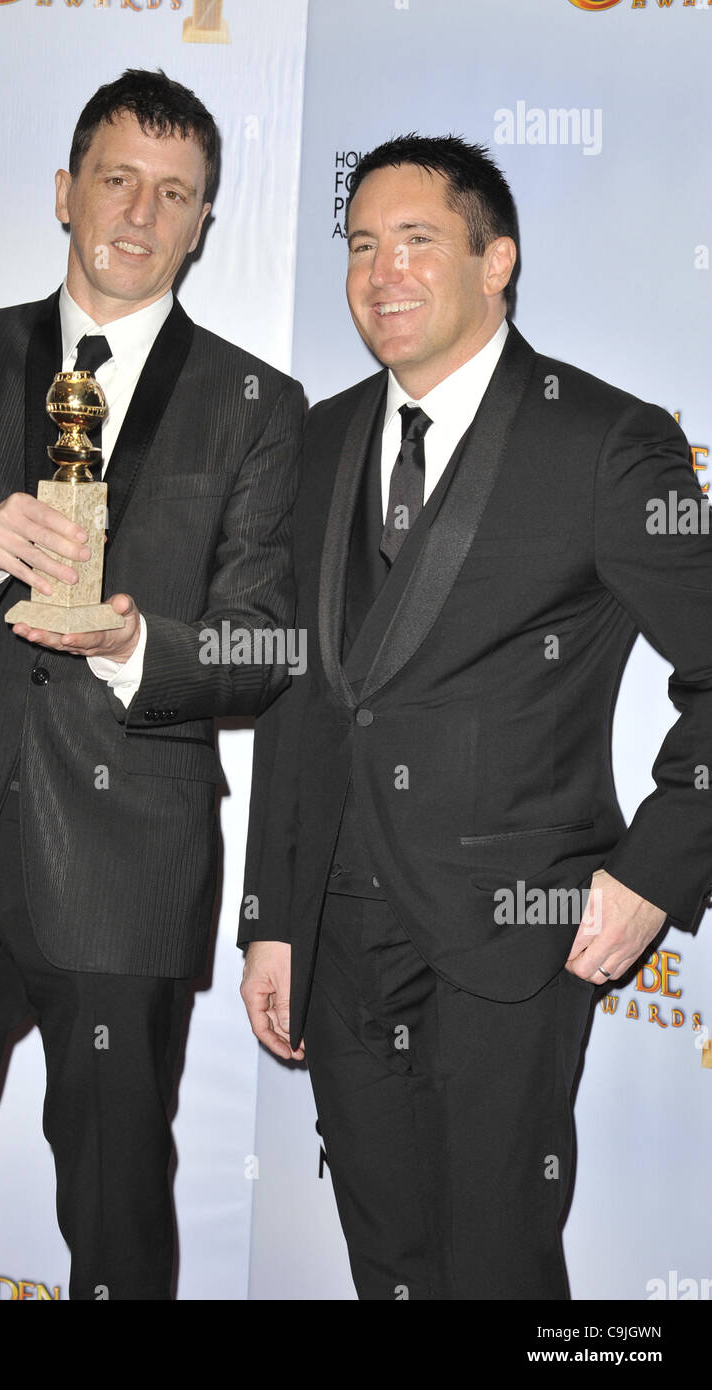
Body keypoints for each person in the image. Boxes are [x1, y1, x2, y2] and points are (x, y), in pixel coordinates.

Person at [0, 68, 303, 1301]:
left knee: (115, 1203)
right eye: (116, 180)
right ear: (63, 190)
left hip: (127, 852)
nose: (140, 215)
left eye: (175, 194)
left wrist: (140, 640)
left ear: (204, 223)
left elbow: (262, 640)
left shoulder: (259, 405)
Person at [239, 134, 712, 1301]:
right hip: (342, 936)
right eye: (359, 245)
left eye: (415, 241)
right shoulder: (317, 436)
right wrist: (272, 912)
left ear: (496, 261)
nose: (380, 273)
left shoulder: (602, 440)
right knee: (387, 1262)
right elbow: (304, 694)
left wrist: (653, 871)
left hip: (515, 932)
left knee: (494, 1265)